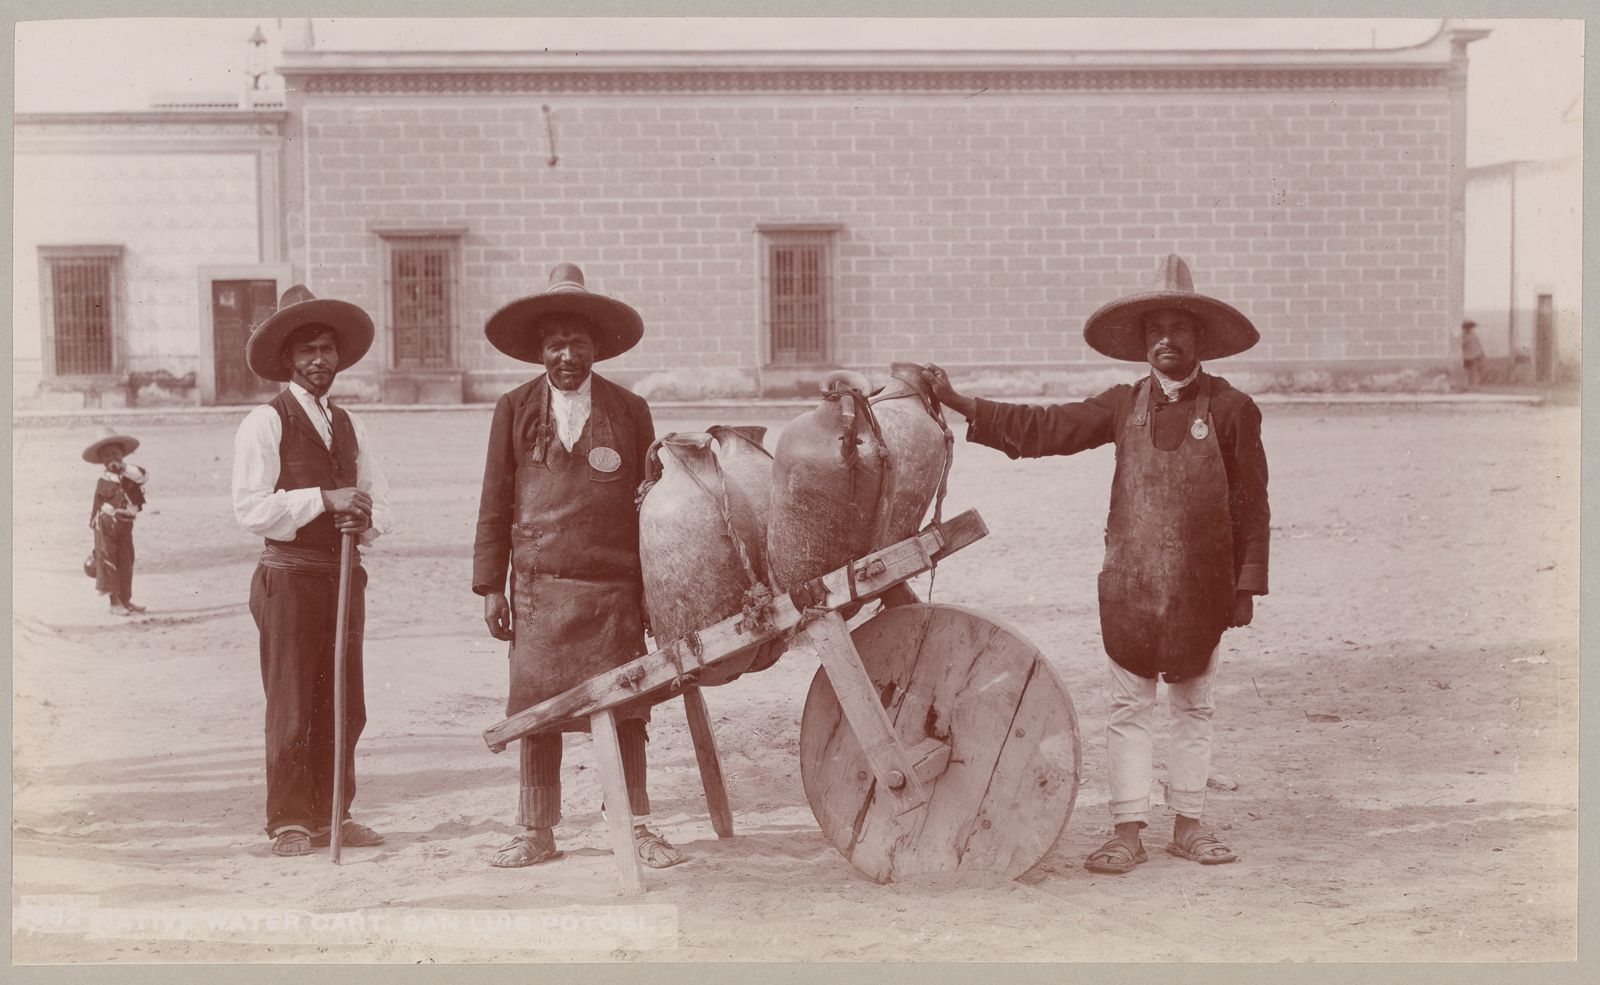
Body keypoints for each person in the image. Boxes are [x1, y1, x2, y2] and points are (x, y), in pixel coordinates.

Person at [921, 254, 1270, 875]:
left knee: (1194, 705)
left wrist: (1245, 588)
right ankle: (1128, 830)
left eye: (1178, 329)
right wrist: (957, 401)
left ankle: (1189, 824)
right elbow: (1046, 428)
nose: (1166, 340)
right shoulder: (1122, 405)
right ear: (1142, 343)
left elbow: (1252, 507)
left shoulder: (1232, 409)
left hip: (1202, 588)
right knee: (1128, 707)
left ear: (1200, 339)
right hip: (1131, 587)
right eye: (1153, 330)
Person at [473, 262, 685, 870]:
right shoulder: (513, 409)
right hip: (538, 590)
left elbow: (653, 503)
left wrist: (656, 589)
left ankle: (636, 824)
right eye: (554, 343)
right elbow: (494, 499)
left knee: (626, 706)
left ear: (596, 347)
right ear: (541, 350)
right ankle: (536, 831)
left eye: (578, 342)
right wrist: (492, 587)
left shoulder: (631, 408)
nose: (566, 355)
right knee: (538, 712)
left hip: (614, 589)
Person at [232, 285, 393, 858]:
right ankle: (290, 820)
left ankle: (334, 813)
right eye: (307, 352)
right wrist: (325, 501)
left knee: (345, 698)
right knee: (295, 699)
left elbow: (376, 497)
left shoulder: (349, 424)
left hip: (344, 574)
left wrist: (363, 517)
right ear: (287, 361)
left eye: (326, 349)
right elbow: (251, 508)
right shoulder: (265, 422)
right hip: (290, 579)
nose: (319, 360)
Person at [84, 426, 150, 616]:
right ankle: (114, 603)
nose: (111, 459)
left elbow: (144, 476)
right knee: (109, 562)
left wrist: (123, 468)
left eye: (115, 453)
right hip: (107, 525)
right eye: (106, 456)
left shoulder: (131, 474)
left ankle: (126, 599)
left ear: (123, 454)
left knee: (126, 560)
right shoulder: (104, 479)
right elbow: (97, 507)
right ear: (101, 461)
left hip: (125, 525)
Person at [1461, 319, 1486, 390]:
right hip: (1467, 356)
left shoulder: (1474, 334)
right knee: (1466, 371)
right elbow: (1461, 344)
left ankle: (1474, 385)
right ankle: (1465, 385)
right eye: (1467, 327)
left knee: (1474, 371)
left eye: (1470, 327)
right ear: (1465, 328)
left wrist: (1482, 352)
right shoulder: (1463, 335)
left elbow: (1478, 343)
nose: (1469, 329)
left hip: (1475, 355)